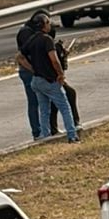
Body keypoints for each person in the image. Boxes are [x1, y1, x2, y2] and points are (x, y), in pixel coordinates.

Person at [24, 14, 80, 142]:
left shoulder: (32, 40)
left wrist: (33, 68)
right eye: (48, 23)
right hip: (49, 80)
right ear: (43, 25)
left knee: (44, 110)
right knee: (65, 107)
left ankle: (46, 136)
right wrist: (60, 74)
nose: (50, 25)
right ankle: (72, 135)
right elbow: (54, 60)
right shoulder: (47, 40)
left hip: (36, 80)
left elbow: (20, 56)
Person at [15, 10, 48, 140]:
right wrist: (35, 70)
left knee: (45, 100)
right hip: (28, 70)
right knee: (34, 101)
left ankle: (47, 129)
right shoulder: (26, 33)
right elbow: (23, 56)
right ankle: (37, 131)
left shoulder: (36, 32)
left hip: (37, 70)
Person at [47, 32, 81, 137]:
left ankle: (52, 127)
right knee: (69, 94)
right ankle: (73, 124)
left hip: (48, 78)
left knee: (55, 101)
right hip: (52, 78)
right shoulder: (49, 45)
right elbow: (56, 63)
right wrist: (60, 76)